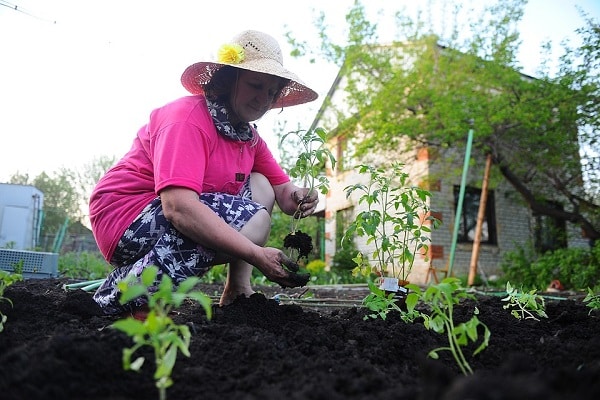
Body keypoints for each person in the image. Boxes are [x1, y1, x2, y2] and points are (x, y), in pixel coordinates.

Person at [89, 30, 319, 316]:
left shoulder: (248, 138)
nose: (263, 99)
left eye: (271, 93)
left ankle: (238, 289)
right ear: (229, 79)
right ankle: (126, 298)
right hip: (125, 215)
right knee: (253, 220)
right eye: (256, 85)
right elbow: (178, 209)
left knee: (261, 185)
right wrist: (256, 254)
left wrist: (303, 196)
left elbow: (284, 194)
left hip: (164, 216)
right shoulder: (187, 120)